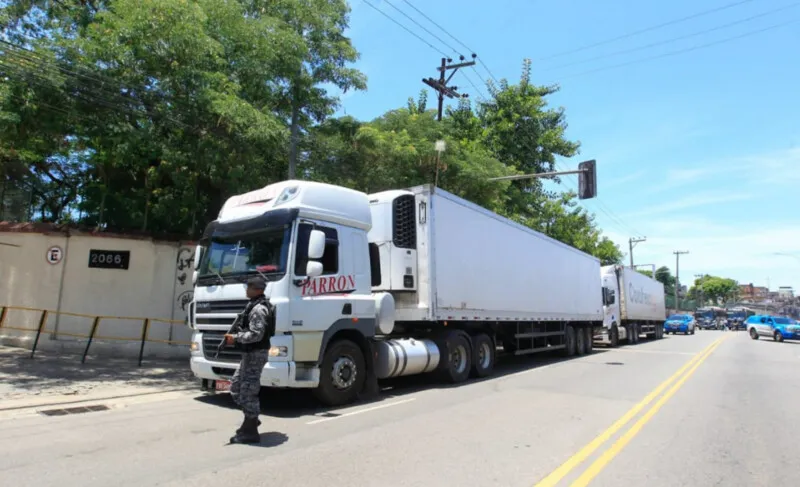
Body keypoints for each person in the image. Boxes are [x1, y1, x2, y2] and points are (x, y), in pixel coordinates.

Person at [224, 276, 272, 444]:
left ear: (258, 290)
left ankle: (251, 430)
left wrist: (235, 338)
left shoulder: (259, 309)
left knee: (248, 391)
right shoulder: (252, 305)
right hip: (249, 355)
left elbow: (256, 334)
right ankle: (252, 417)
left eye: (250, 287)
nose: (247, 289)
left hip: (255, 354)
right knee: (236, 387)